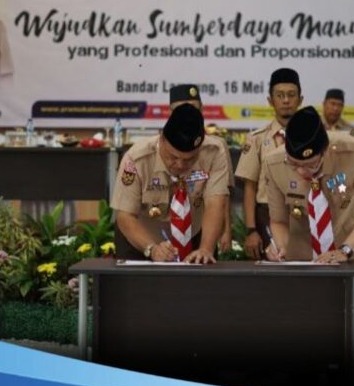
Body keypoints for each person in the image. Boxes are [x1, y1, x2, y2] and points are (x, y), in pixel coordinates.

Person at [111, 103, 229, 264]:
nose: (180, 165)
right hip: (140, 239)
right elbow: (125, 216)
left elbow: (215, 204)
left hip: (192, 235)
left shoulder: (214, 152)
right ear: (162, 139)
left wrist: (206, 249)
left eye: (189, 159)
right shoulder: (136, 159)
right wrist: (152, 248)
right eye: (173, 157)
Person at [263, 107, 354, 263]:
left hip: (351, 248)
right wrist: (280, 247)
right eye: (294, 164)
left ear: (324, 151)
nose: (302, 171)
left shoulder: (351, 152)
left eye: (311, 165)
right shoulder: (274, 164)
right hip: (303, 255)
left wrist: (345, 250)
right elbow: (279, 221)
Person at [235, 68, 302, 260]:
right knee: (273, 268)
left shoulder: (312, 137)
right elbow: (250, 186)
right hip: (267, 215)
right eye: (280, 95)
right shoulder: (257, 139)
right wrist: (251, 230)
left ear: (300, 99)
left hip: (304, 215)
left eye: (291, 95)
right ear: (270, 100)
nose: (286, 100)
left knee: (305, 267)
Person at [169, 83, 234, 254]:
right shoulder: (159, 146)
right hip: (166, 227)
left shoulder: (216, 147)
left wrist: (226, 230)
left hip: (204, 227)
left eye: (194, 108)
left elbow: (223, 195)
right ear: (170, 112)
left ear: (202, 109)